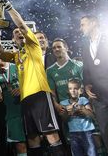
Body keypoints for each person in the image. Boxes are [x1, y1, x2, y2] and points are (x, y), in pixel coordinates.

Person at [0, 0, 66, 156]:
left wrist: (9, 7)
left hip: (40, 95)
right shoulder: (17, 56)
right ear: (13, 39)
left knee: (50, 135)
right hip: (25, 100)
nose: (19, 33)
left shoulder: (33, 46)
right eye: (15, 33)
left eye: (20, 32)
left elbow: (22, 26)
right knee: (32, 139)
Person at [80, 15, 108, 149]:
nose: (81, 28)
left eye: (83, 24)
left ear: (94, 23)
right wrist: (86, 85)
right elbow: (86, 67)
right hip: (98, 96)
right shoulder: (85, 44)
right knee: (105, 130)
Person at [0, 59, 27, 156]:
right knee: (19, 145)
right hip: (11, 112)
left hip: (26, 109)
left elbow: (30, 79)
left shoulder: (16, 65)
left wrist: (22, 89)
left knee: (34, 140)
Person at [59, 79, 96, 156]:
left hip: (87, 132)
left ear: (81, 90)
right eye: (70, 88)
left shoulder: (83, 100)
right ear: (67, 91)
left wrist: (82, 109)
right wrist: (68, 112)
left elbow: (92, 115)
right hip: (73, 134)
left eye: (75, 88)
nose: (73, 91)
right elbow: (64, 119)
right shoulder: (63, 103)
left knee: (92, 154)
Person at [46, 38, 83, 105]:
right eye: (54, 48)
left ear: (66, 48)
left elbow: (86, 85)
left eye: (59, 47)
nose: (56, 49)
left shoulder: (79, 65)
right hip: (65, 108)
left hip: (82, 104)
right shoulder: (50, 71)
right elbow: (52, 92)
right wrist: (56, 105)